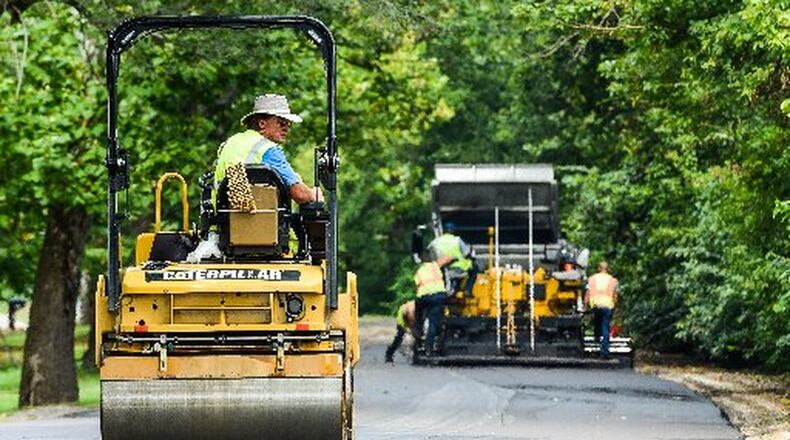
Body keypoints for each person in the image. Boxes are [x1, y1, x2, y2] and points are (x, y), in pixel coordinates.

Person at [214, 93, 321, 205]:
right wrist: (315, 194)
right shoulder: (267, 149)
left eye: (288, 124)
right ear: (262, 123)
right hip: (255, 220)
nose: (286, 128)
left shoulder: (230, 142)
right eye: (282, 123)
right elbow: (300, 195)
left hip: (221, 221)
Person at [414, 255, 453, 355]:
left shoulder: (419, 271)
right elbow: (447, 258)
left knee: (418, 310)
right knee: (433, 321)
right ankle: (428, 348)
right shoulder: (435, 266)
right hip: (438, 297)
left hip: (424, 297)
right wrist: (454, 258)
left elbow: (417, 285)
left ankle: (418, 329)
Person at [427, 223, 478, 296]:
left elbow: (428, 251)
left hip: (442, 269)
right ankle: (468, 289)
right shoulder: (457, 240)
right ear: (453, 231)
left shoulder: (436, 241)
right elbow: (467, 253)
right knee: (474, 269)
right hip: (458, 268)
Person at [585, 261, 619, 359]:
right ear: (607, 269)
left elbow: (587, 294)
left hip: (596, 305)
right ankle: (604, 352)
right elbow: (615, 296)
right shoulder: (613, 280)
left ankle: (597, 341)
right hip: (608, 306)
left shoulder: (592, 279)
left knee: (597, 323)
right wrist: (615, 307)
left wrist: (585, 305)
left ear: (599, 268)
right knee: (605, 327)